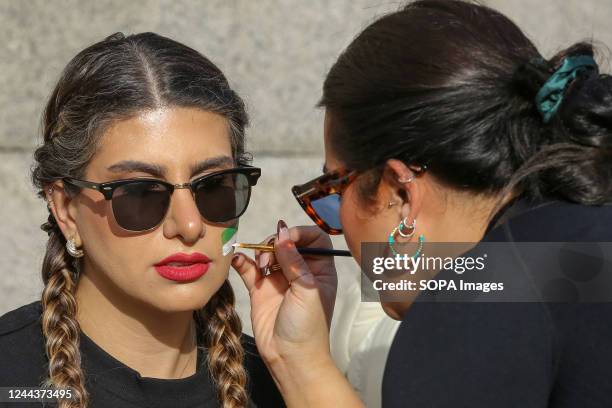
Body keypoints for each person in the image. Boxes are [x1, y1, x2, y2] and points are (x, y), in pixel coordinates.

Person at [231, 1, 612, 407]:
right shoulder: (567, 251)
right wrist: (299, 357)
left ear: (400, 192)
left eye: (335, 189)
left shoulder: (470, 302)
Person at [0, 32, 284, 408]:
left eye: (213, 186)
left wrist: (299, 362)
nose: (189, 226)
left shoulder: (282, 380)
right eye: (139, 193)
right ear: (66, 209)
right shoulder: (9, 380)